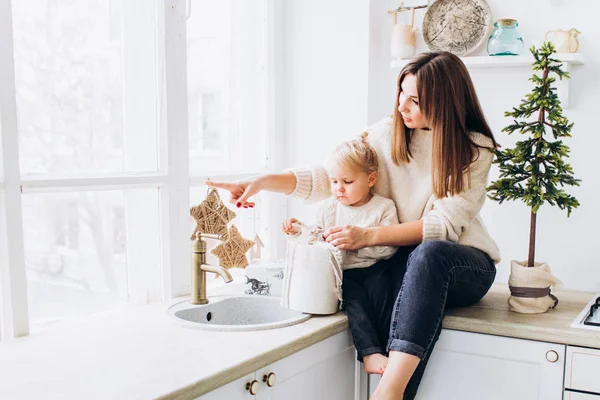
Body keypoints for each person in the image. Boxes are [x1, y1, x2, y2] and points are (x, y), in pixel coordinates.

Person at [206, 50, 500, 400]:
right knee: (389, 272)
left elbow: (443, 226)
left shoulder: (473, 149)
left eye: (415, 100)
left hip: (462, 266)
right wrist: (264, 180)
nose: (402, 107)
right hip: (407, 265)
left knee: (428, 253)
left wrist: (367, 236)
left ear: (445, 101)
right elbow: (333, 175)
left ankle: (388, 392)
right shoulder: (387, 132)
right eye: (401, 94)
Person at [282, 133, 399, 272]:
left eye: (347, 182)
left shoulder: (383, 207)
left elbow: (389, 248)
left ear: (371, 179)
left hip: (373, 270)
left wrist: (357, 246)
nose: (339, 188)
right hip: (337, 272)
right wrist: (299, 230)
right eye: (334, 181)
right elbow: (317, 238)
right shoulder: (330, 206)